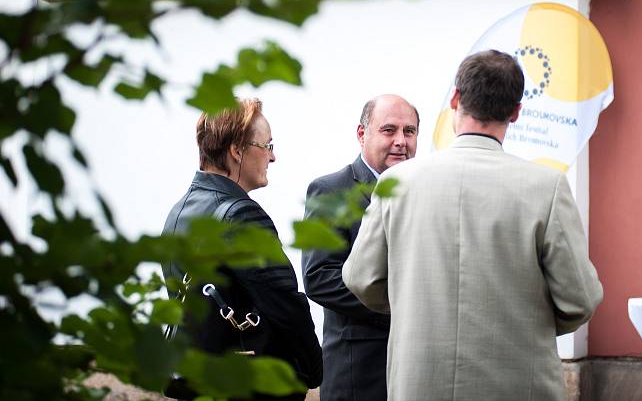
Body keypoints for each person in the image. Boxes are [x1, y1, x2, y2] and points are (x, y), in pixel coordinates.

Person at [343, 50, 603, 401]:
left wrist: (418, 306)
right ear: (515, 112)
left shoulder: (398, 183)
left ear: (455, 99)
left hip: (420, 383)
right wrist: (526, 322)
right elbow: (580, 299)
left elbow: (361, 278)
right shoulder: (546, 187)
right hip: (517, 383)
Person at [161, 98, 322, 400]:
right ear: (237, 150)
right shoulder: (242, 215)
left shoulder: (178, 212)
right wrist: (314, 369)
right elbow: (286, 305)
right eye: (268, 145)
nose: (273, 157)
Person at [302, 94, 419, 401]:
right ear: (361, 134)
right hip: (357, 373)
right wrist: (398, 308)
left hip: (415, 372)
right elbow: (319, 278)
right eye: (389, 130)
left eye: (409, 131)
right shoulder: (330, 190)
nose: (400, 141)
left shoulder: (425, 192)